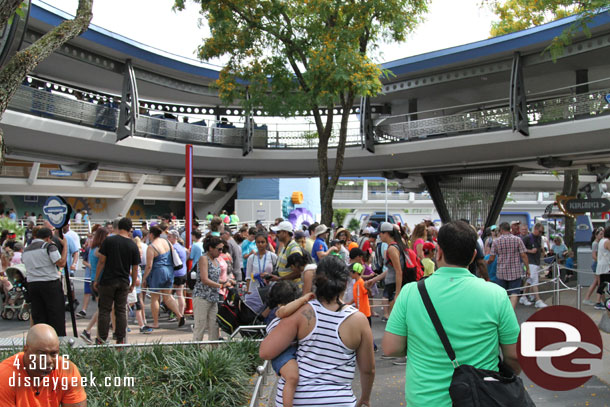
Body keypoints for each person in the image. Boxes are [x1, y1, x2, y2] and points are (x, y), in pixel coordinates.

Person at [382, 220, 521, 407]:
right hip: (481, 398)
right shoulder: (496, 294)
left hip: (424, 400)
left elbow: (391, 348)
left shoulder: (411, 292)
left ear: (438, 252)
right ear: (473, 256)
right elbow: (514, 355)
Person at [260, 255, 375, 407]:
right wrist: (365, 398)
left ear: (316, 282)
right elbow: (368, 369)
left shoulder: (301, 312)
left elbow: (265, 352)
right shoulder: (359, 320)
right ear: (346, 284)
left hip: (296, 400)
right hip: (338, 401)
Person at [0, 324, 87, 406]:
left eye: (53, 354)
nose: (48, 361)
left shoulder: (67, 371)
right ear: (26, 350)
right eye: (41, 354)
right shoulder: (5, 376)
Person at [265, 282, 315, 407]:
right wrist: (303, 299)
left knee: (291, 376)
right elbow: (285, 311)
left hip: (289, 349)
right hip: (282, 352)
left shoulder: (289, 311)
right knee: (292, 377)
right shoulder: (279, 310)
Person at [93, 217, 140, 344]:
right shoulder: (133, 245)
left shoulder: (109, 241)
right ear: (130, 229)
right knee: (120, 310)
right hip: (123, 281)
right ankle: (120, 338)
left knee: (104, 310)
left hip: (108, 280)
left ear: (118, 227)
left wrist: (96, 279)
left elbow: (101, 261)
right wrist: (133, 283)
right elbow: (135, 268)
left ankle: (101, 338)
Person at [22, 227, 68, 337]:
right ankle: (58, 340)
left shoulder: (26, 249)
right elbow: (61, 263)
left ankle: (40, 340)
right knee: (56, 315)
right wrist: (65, 246)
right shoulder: (49, 246)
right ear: (48, 238)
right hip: (50, 283)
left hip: (33, 284)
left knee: (39, 315)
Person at [142, 225, 185, 329]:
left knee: (155, 298)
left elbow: (149, 266)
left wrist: (144, 278)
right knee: (168, 296)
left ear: (151, 234)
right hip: (169, 271)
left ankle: (155, 323)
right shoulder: (166, 241)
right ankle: (179, 315)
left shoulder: (151, 247)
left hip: (158, 272)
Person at [192, 236, 234, 341]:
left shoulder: (216, 260)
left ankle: (213, 351)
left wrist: (225, 282)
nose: (221, 252)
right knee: (200, 325)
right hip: (202, 297)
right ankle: (195, 352)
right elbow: (204, 279)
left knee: (214, 326)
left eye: (222, 249)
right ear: (210, 248)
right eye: (219, 249)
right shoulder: (204, 258)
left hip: (213, 297)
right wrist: (221, 285)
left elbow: (214, 278)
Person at [487, 221, 530, 309]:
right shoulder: (517, 240)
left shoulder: (496, 242)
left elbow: (491, 258)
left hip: (501, 272)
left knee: (502, 294)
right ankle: (511, 312)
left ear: (501, 229)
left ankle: (503, 312)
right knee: (514, 293)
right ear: (509, 229)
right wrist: (528, 269)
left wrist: (486, 263)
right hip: (515, 272)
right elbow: (524, 255)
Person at [520, 223, 548, 308]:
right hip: (530, 262)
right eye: (540, 231)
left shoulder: (539, 238)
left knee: (529, 280)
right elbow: (521, 250)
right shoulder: (527, 238)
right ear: (535, 229)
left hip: (536, 261)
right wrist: (530, 251)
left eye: (542, 232)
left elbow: (540, 248)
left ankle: (524, 296)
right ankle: (538, 300)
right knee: (534, 281)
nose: (540, 233)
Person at [168, 230, 188, 317]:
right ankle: (181, 313)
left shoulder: (174, 248)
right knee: (180, 294)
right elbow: (188, 253)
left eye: (169, 237)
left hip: (176, 273)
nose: (168, 238)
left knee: (169, 294)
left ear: (175, 238)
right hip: (183, 272)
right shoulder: (181, 247)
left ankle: (176, 313)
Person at [583, 227, 604, 305]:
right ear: (596, 235)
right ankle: (598, 300)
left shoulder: (599, 243)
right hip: (597, 264)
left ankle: (587, 298)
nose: (602, 236)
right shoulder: (595, 243)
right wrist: (600, 262)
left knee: (596, 282)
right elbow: (593, 256)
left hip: (598, 263)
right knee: (599, 282)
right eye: (601, 234)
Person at [594, 226, 610, 310]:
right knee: (604, 284)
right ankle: (599, 302)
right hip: (606, 267)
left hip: (601, 266)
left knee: (602, 284)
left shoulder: (601, 241)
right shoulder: (607, 242)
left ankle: (601, 302)